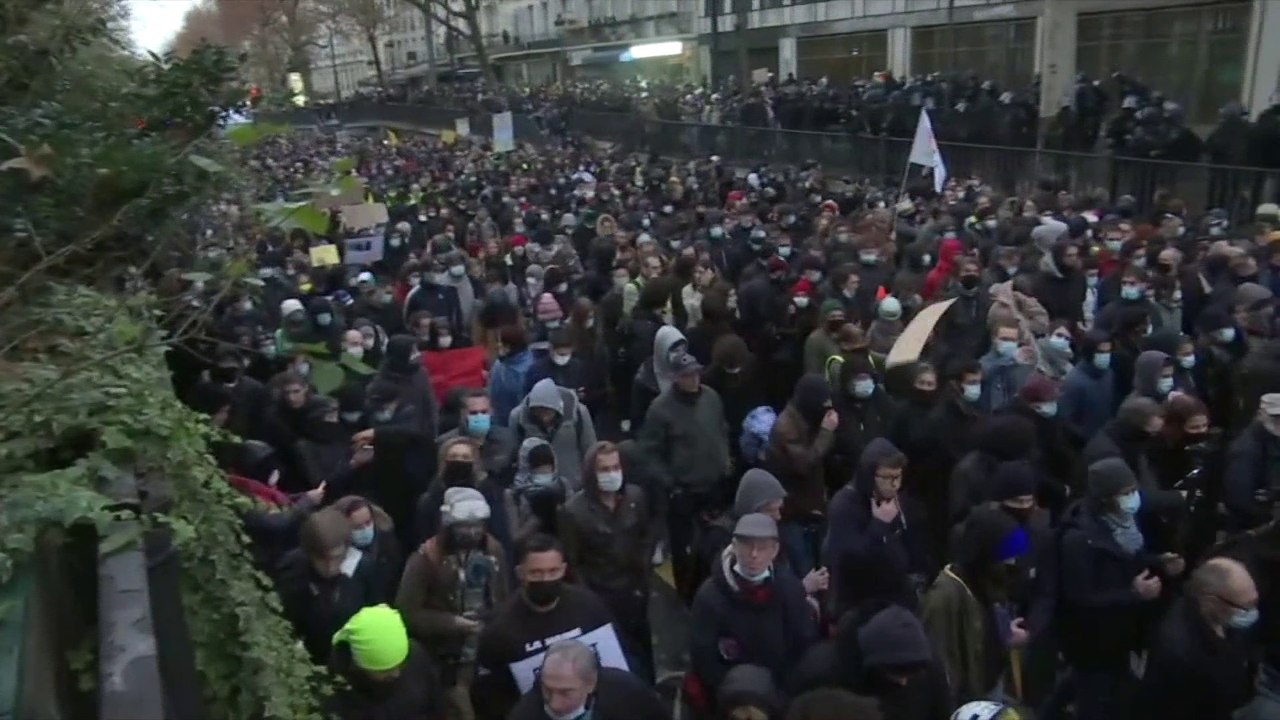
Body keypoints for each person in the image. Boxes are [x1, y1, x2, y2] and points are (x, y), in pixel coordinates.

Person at [1056, 458, 1185, 720]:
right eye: (1124, 494)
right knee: (1094, 696)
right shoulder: (1080, 540)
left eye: (1133, 490)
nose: (1133, 499)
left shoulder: (1122, 522)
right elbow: (1080, 597)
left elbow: (1127, 558)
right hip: (1094, 638)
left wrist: (1157, 561)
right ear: (1105, 498)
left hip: (1120, 632)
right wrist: (1134, 594)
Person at [471, 534, 616, 720]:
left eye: (553, 571)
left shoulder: (589, 605)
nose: (546, 579)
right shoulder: (499, 629)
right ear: (520, 573)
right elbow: (489, 697)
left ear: (563, 569)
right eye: (536, 573)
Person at [396, 487, 509, 720]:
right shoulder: (426, 559)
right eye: (464, 526)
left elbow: (504, 597)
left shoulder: (494, 550)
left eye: (477, 525)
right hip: (443, 658)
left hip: (485, 652)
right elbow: (407, 612)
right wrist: (453, 623)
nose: (472, 532)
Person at [688, 514, 818, 707]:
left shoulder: (789, 588)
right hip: (732, 701)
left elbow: (803, 642)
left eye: (763, 547)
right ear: (734, 545)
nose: (754, 555)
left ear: (775, 550)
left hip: (780, 695)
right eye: (747, 545)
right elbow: (704, 657)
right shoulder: (710, 597)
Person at [560, 441, 656, 681]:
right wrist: (588, 601)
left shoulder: (635, 497)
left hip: (634, 591)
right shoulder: (574, 512)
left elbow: (645, 537)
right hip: (601, 595)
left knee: (643, 651)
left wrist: (643, 578)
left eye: (615, 467)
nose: (612, 474)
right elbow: (573, 562)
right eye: (604, 469)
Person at [639, 351, 730, 601]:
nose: (693, 379)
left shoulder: (711, 397)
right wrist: (670, 486)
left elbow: (721, 431)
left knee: (714, 545)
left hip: (713, 488)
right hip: (683, 492)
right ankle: (686, 598)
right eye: (686, 375)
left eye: (696, 373)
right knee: (684, 551)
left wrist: (725, 466)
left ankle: (711, 593)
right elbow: (648, 454)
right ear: (674, 378)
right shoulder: (660, 409)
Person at [921, 505, 1031, 703]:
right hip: (966, 703)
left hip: (990, 688)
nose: (1013, 561)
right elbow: (942, 669)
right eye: (1008, 554)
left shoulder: (984, 584)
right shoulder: (944, 599)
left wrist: (1004, 636)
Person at [1136, 557, 1258, 720]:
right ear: (1212, 601)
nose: (1251, 612)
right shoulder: (1180, 652)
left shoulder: (1223, 618)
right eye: (1245, 607)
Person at [787, 604, 952, 720]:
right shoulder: (823, 674)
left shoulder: (927, 664)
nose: (904, 681)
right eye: (897, 672)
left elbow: (940, 711)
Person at [825, 438, 931, 614]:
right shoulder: (844, 506)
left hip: (896, 598)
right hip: (862, 606)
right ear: (869, 475)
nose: (895, 484)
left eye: (898, 477)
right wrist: (880, 524)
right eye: (888, 478)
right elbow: (852, 563)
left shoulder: (893, 499)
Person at [275, 508, 382, 664]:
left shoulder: (363, 568)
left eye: (337, 558)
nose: (331, 567)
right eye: (322, 560)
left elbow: (374, 608)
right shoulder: (293, 570)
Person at [507, 639, 671, 720]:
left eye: (566, 692)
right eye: (547, 689)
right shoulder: (524, 715)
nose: (554, 703)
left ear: (590, 683)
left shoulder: (627, 693)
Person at [327, 604, 441, 720]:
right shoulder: (341, 693)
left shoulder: (417, 657)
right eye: (385, 670)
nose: (396, 674)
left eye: (401, 663)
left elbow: (434, 704)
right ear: (358, 665)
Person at [509, 377, 598, 488]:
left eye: (547, 412)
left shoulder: (579, 414)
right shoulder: (518, 419)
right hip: (533, 488)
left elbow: (590, 449)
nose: (544, 418)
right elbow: (513, 454)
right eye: (538, 412)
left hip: (573, 486)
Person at [435, 389, 518, 485]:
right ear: (463, 413)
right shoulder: (446, 442)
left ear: (491, 412)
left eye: (484, 412)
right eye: (473, 413)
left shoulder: (508, 439)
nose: (479, 416)